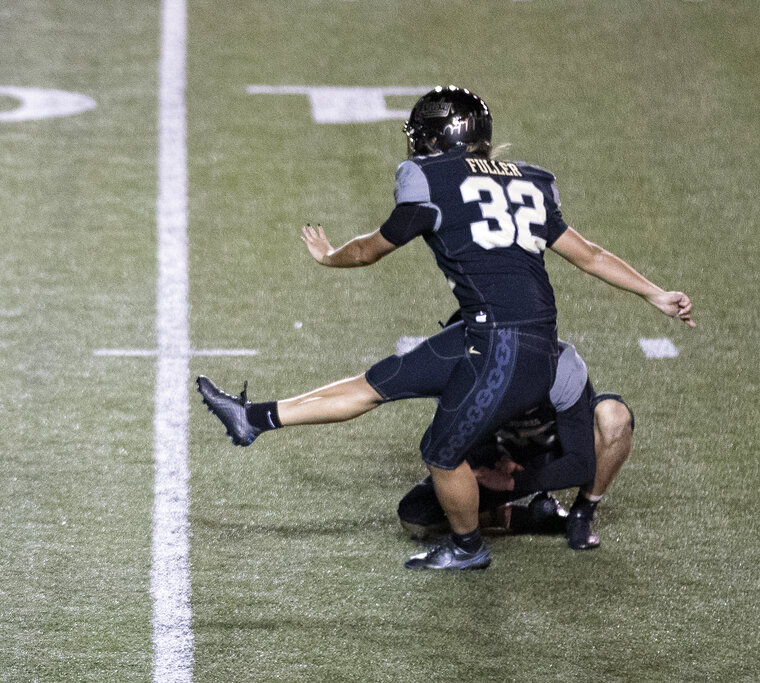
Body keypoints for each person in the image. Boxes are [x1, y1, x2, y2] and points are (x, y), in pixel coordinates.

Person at [197, 85, 694, 571]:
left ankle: (467, 548)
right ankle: (252, 418)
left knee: (441, 452)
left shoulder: (429, 177)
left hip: (503, 344)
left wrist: (329, 256)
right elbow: (590, 255)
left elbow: (370, 250)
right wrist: (654, 293)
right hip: (497, 332)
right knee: (378, 382)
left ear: (435, 138)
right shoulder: (530, 181)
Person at [396, 334, 635, 551]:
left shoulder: (561, 365)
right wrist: (471, 469)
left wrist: (513, 482)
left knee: (614, 417)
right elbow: (441, 449)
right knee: (415, 516)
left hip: (557, 446)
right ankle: (530, 518)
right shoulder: (459, 375)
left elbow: (581, 464)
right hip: (506, 452)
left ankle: (582, 514)